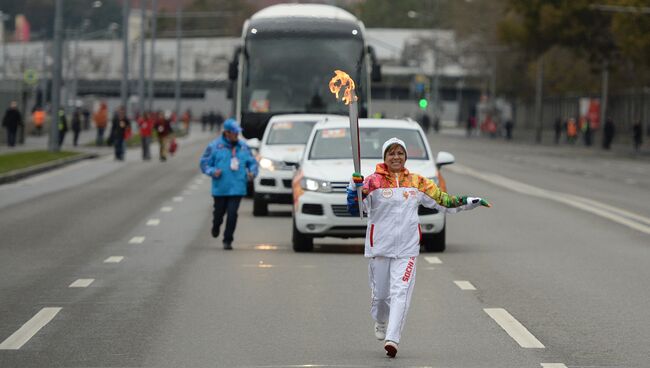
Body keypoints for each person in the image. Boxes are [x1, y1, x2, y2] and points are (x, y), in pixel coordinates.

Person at [347, 138, 490, 358]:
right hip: (380, 249)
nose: (396, 157)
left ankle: (393, 339)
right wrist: (354, 188)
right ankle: (380, 319)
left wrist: (470, 201)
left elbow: (443, 201)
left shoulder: (417, 182)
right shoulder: (372, 182)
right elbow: (355, 208)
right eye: (391, 153)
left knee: (400, 292)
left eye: (400, 153)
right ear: (384, 158)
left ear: (405, 157)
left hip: (407, 249)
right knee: (381, 296)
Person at [199, 119, 258, 250]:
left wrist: (252, 173)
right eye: (234, 133)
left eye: (238, 133)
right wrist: (213, 171)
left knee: (232, 214)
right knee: (219, 213)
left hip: (237, 187)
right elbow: (204, 163)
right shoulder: (214, 146)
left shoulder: (243, 146)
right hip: (221, 187)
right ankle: (216, 226)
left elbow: (253, 162)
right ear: (226, 133)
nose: (236, 135)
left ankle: (228, 240)